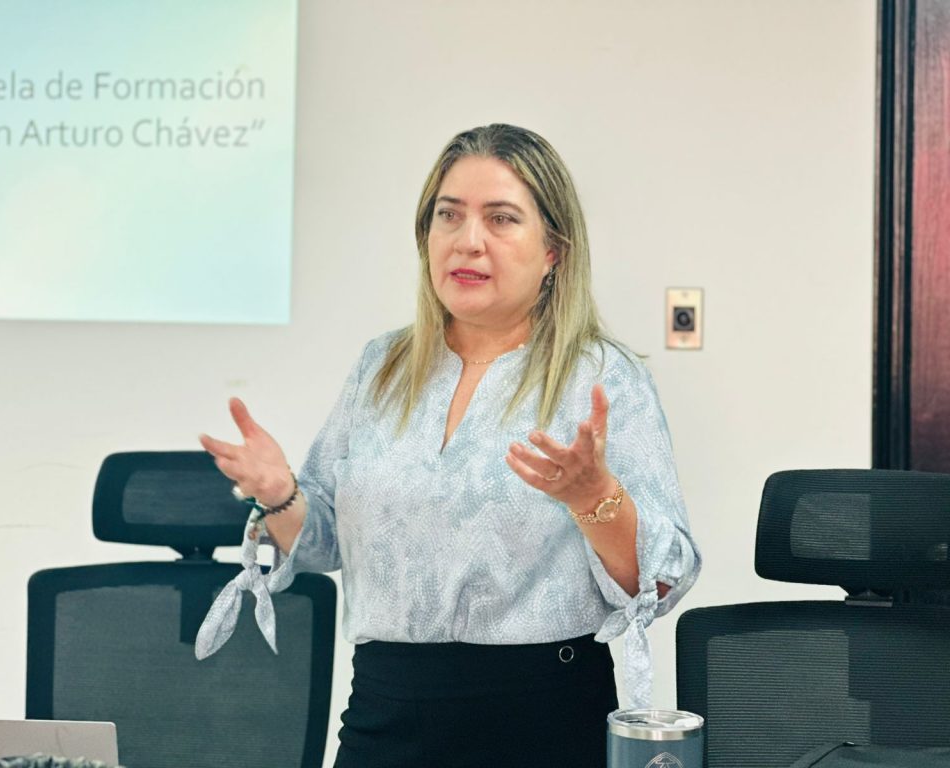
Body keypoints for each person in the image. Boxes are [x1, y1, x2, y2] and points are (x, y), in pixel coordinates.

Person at [199, 124, 700, 768]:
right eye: (449, 215)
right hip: (384, 714)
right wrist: (280, 495)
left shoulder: (601, 377)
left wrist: (594, 497)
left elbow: (661, 579)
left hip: (542, 720)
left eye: (501, 218)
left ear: (554, 250)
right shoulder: (381, 367)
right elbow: (325, 546)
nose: (469, 240)